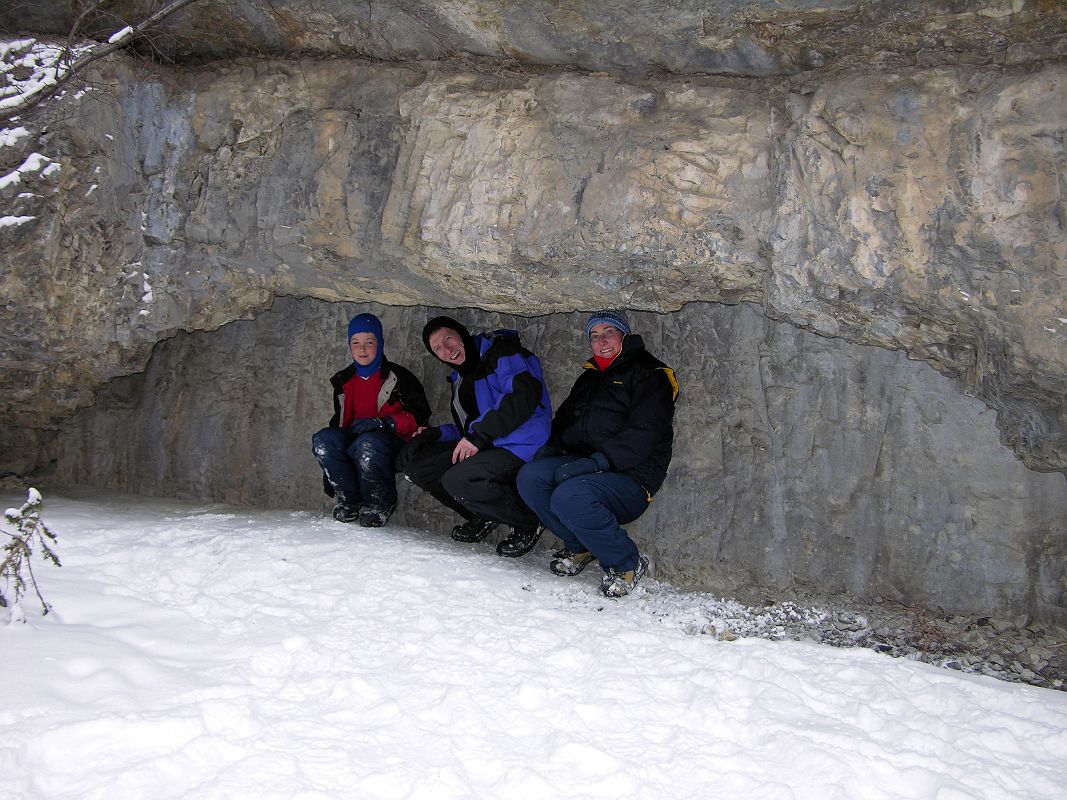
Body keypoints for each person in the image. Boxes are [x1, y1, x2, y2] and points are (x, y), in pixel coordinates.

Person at [516, 310, 678, 598]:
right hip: (588, 465)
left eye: (609, 333)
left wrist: (596, 463)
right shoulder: (589, 378)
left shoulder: (650, 374)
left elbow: (644, 433)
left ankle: (626, 563)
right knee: (531, 477)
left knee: (570, 495)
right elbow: (564, 421)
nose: (601, 341)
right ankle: (581, 545)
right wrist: (548, 452)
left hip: (630, 476)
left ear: (624, 336)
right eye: (594, 336)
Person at [398, 316, 551, 557]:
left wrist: (479, 436)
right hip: (488, 442)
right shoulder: (459, 379)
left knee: (458, 479)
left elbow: (522, 397)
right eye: (438, 348)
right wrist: (435, 434)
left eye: (449, 339)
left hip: (521, 443)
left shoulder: (501, 353)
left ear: (462, 334)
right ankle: (482, 514)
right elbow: (467, 426)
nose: (447, 350)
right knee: (418, 467)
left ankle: (527, 520)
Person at [312, 313, 431, 527]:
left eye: (369, 342)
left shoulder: (399, 377)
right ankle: (350, 499)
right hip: (356, 439)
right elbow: (338, 423)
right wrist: (331, 467)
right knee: (323, 440)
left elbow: (419, 414)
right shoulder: (344, 381)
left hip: (391, 443)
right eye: (355, 343)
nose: (362, 349)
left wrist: (386, 423)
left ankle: (379, 502)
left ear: (380, 343)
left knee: (368, 444)